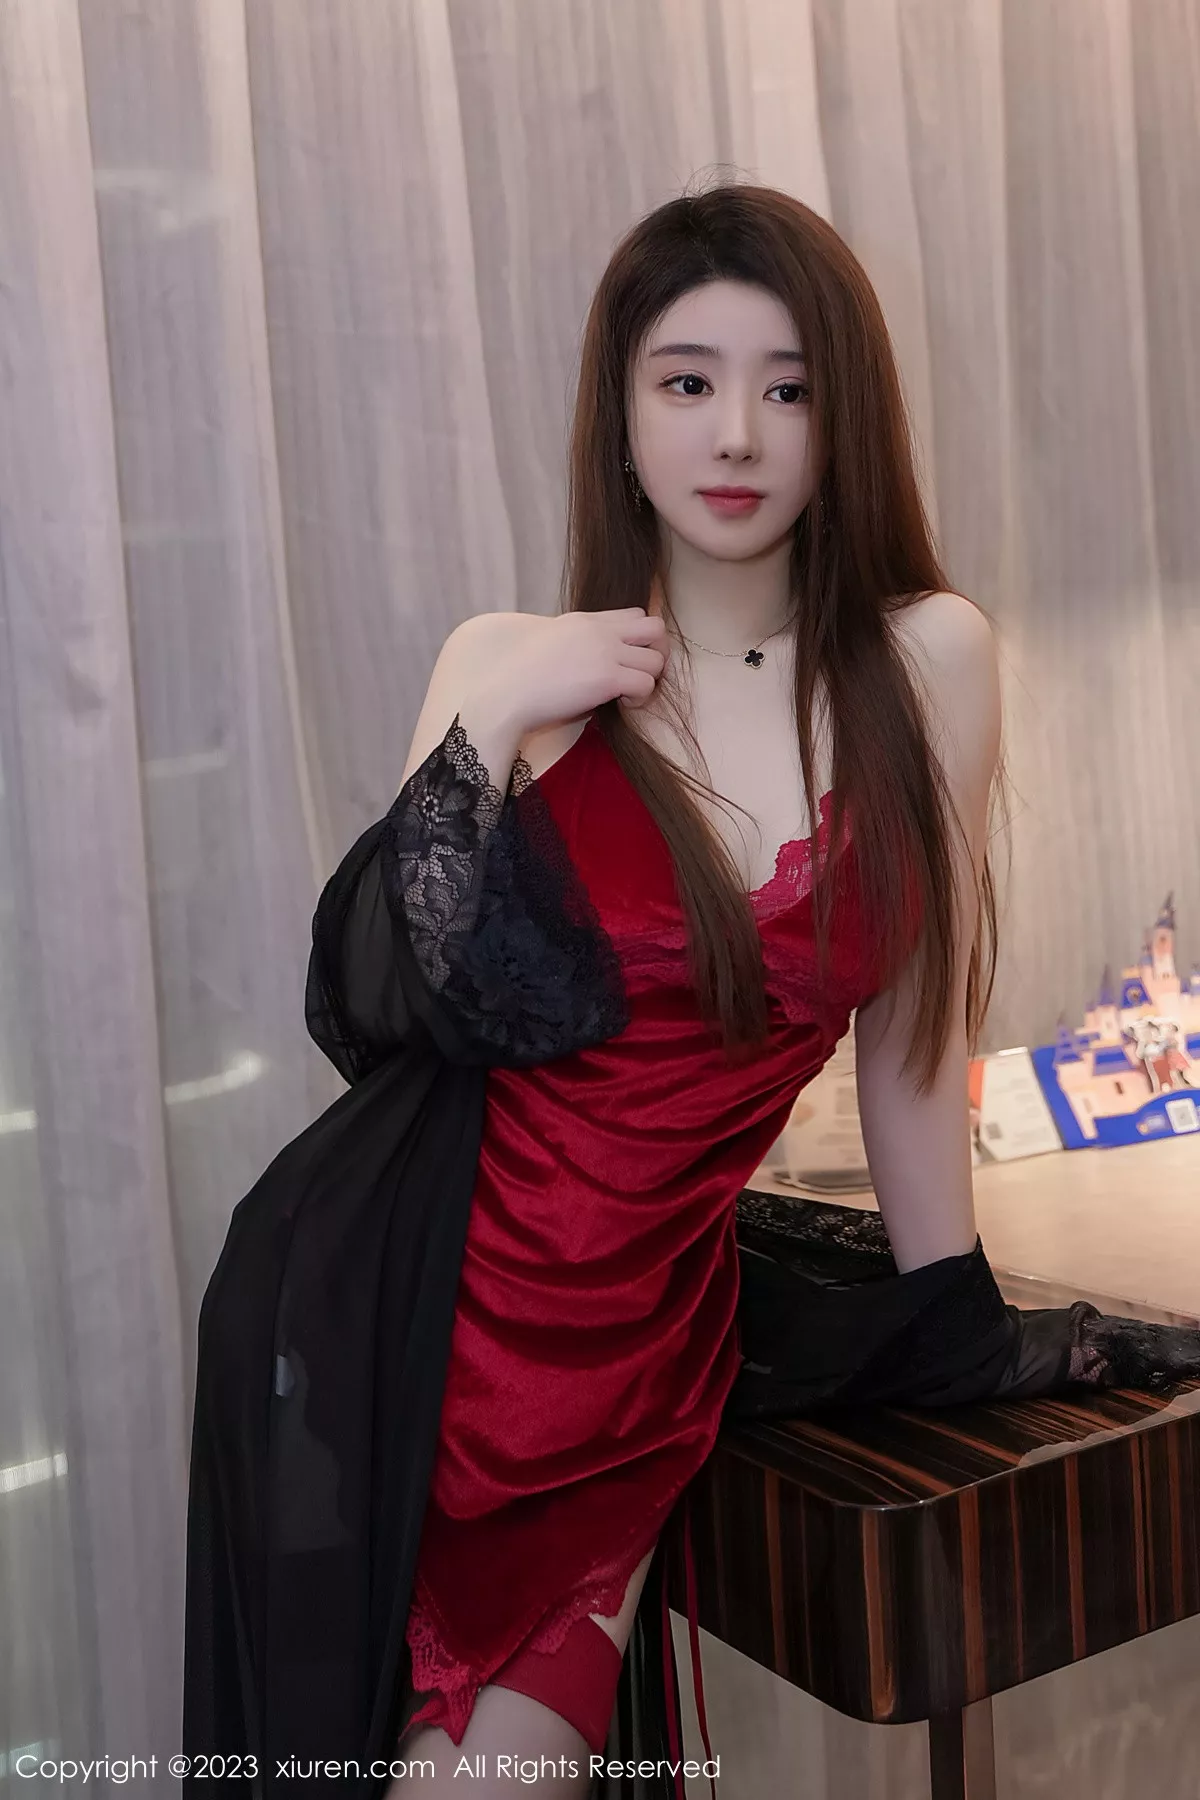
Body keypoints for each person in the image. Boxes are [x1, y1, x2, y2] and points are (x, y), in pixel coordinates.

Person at [183, 181, 1200, 1800]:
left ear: (844, 417)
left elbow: (913, 1041)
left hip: (623, 1361)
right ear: (623, 410)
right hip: (405, 1312)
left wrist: (949, 1309)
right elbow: (379, 1007)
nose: (737, 432)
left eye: (787, 388)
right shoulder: (507, 662)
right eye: (688, 381)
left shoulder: (928, 662)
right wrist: (496, 716)